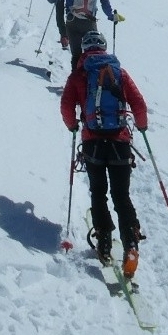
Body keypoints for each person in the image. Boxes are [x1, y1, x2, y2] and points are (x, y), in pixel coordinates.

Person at [61, 29, 147, 275]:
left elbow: (67, 105)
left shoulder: (79, 75)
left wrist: (72, 125)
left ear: (85, 50)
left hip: (93, 143)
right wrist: (141, 125)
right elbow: (138, 103)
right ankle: (130, 245)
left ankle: (105, 242)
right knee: (122, 195)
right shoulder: (119, 73)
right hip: (120, 142)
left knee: (98, 192)